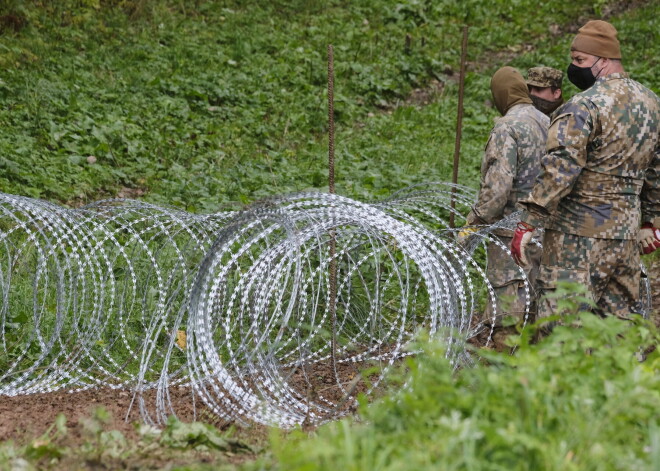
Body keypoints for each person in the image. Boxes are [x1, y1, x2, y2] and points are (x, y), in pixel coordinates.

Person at [511, 20, 660, 330]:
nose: (573, 67)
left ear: (603, 60)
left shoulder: (581, 106)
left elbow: (562, 167)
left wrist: (529, 221)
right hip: (626, 238)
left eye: (579, 60)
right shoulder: (652, 104)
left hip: (576, 240)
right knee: (619, 334)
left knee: (561, 331)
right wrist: (651, 220)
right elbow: (656, 170)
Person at [462, 66, 550, 340]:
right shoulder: (547, 121)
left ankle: (506, 368)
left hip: (509, 232)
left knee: (508, 307)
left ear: (501, 94)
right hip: (543, 227)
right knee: (537, 299)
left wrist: (474, 223)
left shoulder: (507, 127)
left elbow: (498, 187)